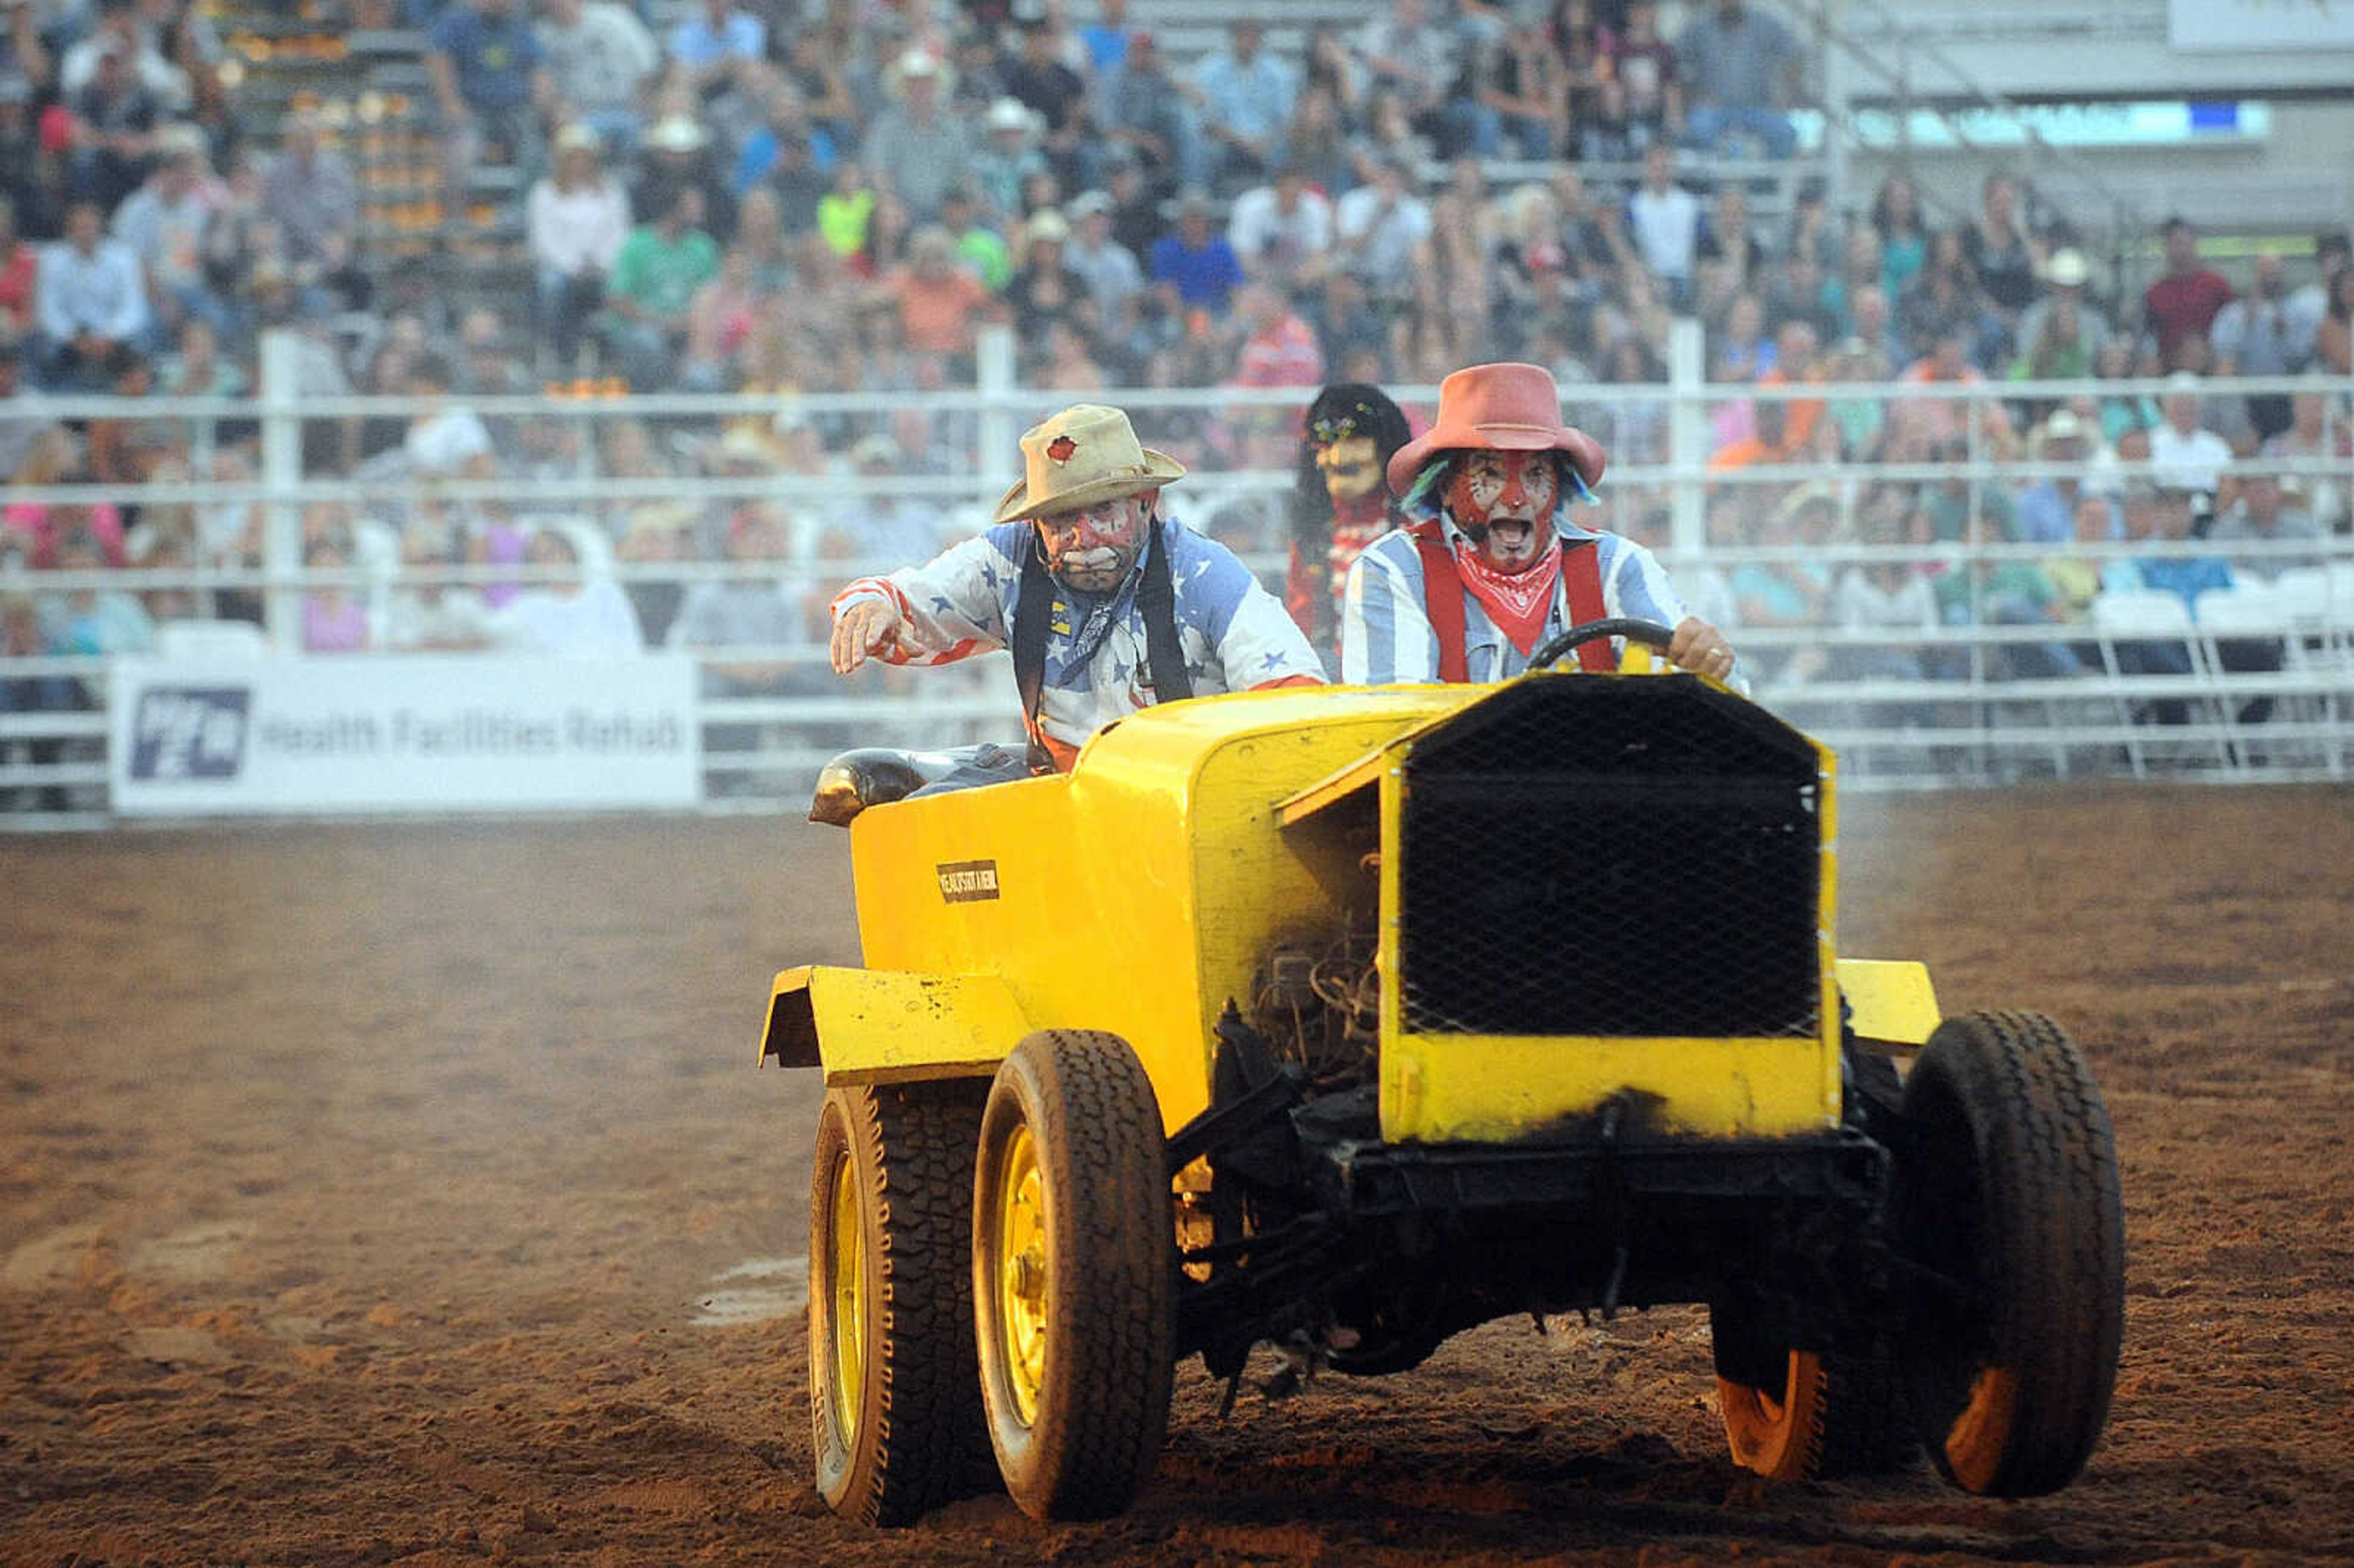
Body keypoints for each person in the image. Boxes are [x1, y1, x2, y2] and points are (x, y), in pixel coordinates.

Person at [828, 402, 1324, 777]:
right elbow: (911, 595)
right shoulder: (1010, 559)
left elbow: (1294, 694)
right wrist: (871, 604)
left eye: (1104, 511)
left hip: (1183, 797)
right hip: (1062, 800)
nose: (1084, 538)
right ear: (1038, 523)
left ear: (1145, 503)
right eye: (1063, 518)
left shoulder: (1202, 572)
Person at [1341, 362, 1737, 684]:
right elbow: (1396, 726)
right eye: (1490, 474)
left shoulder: (1618, 567)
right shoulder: (1393, 569)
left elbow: (1701, 680)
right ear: (1445, 485)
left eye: (1535, 475)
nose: (1515, 499)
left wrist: (1704, 659)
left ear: (1560, 485)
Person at [1288, 383, 1410, 663]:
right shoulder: (1312, 538)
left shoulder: (1420, 527)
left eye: (1354, 440)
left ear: (1386, 447)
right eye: (1328, 442)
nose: (1339, 457)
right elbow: (1301, 623)